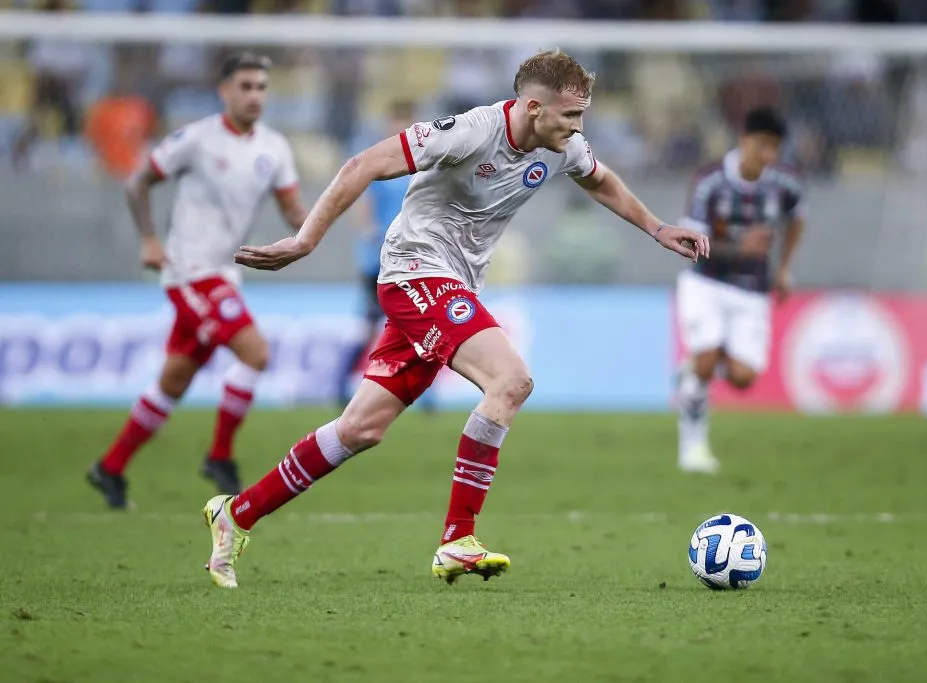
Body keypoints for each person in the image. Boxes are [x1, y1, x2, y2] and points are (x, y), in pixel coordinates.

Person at [201, 49, 709, 589]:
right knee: (510, 381)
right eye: (572, 116)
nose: (579, 127)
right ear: (534, 107)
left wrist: (657, 228)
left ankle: (236, 514)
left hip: (451, 285)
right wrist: (305, 240)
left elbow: (600, 179)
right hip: (415, 273)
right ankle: (457, 538)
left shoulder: (561, 146)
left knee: (361, 428)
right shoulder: (468, 132)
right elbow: (364, 165)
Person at [87, 52, 308, 509]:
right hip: (189, 272)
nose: (254, 96)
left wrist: (317, 227)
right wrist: (149, 240)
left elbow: (293, 210)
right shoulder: (198, 140)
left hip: (225, 274)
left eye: (261, 87)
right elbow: (138, 182)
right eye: (245, 86)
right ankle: (220, 456)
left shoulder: (274, 147)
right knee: (256, 352)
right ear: (224, 91)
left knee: (174, 380)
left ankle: (109, 467)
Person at [674, 106, 806, 474]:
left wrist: (783, 269)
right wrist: (739, 247)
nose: (768, 156)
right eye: (762, 145)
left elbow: (798, 218)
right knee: (705, 358)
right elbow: (688, 240)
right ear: (744, 139)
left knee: (744, 378)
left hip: (752, 288)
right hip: (706, 281)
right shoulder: (711, 180)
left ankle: (698, 368)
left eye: (775, 148)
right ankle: (693, 446)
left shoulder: (785, 182)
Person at [338, 100, 435, 412]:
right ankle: (339, 383)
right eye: (396, 123)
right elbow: (362, 203)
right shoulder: (379, 160)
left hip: (414, 259)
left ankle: (425, 394)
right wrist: (369, 231)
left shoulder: (424, 163)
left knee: (422, 326)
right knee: (369, 327)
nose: (401, 130)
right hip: (378, 260)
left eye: (406, 124)